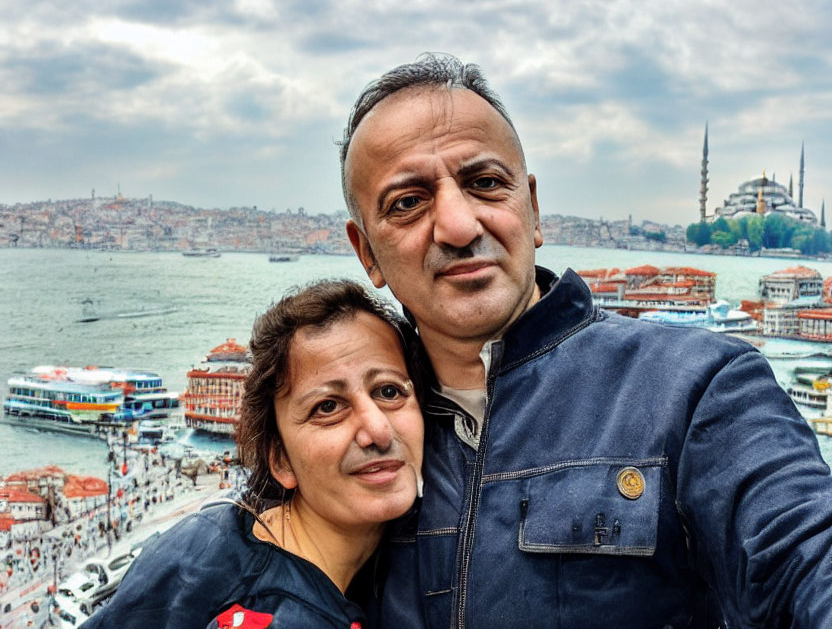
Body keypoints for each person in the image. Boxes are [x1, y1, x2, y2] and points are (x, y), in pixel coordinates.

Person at [340, 53, 832, 628]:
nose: (458, 226)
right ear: (367, 253)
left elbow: (801, 549)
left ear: (534, 211)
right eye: (408, 203)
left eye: (485, 184)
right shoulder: (352, 432)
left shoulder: (696, 387)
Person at [82, 280, 424, 629]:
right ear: (280, 460)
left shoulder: (207, 535)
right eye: (328, 407)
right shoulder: (280, 616)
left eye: (388, 391)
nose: (378, 430)